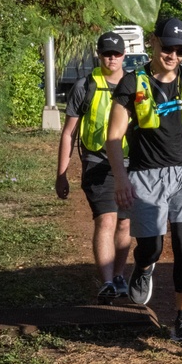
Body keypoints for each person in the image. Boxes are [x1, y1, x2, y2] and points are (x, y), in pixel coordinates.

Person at [106, 16, 182, 349]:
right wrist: (120, 178)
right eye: (167, 47)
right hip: (145, 174)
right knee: (153, 246)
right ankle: (143, 266)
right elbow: (113, 137)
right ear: (154, 42)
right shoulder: (132, 83)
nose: (173, 55)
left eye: (180, 51)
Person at [56, 31, 132, 304]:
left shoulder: (136, 85)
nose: (111, 59)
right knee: (106, 219)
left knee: (124, 222)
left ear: (124, 55)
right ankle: (107, 282)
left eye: (116, 54)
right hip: (97, 162)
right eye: (106, 54)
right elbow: (69, 133)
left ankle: (119, 275)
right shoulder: (85, 86)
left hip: (130, 163)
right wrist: (61, 174)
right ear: (98, 55)